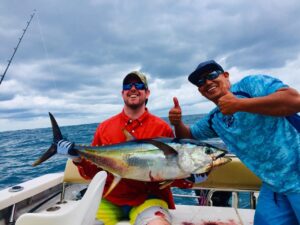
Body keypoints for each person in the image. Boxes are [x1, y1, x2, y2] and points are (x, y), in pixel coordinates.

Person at [168, 60, 300, 225]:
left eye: (212, 75)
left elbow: (295, 100)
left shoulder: (250, 85)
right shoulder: (215, 119)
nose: (207, 82)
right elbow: (188, 136)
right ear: (201, 91)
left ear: (226, 76)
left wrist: (239, 104)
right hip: (275, 186)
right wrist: (178, 123)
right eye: (201, 82)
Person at [58, 71, 198, 225]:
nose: (133, 88)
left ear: (147, 93)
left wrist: (190, 176)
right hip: (110, 199)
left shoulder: (162, 128)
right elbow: (94, 174)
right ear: (122, 93)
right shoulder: (104, 128)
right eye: (127, 86)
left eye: (139, 85)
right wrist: (77, 158)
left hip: (149, 200)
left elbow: (171, 172)